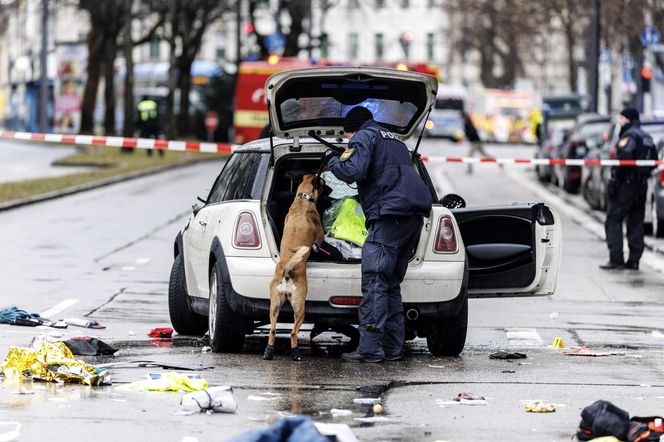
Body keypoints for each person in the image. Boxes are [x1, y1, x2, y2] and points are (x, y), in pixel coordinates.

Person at [323, 107, 433, 363]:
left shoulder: (363, 137)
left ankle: (370, 349)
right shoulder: (395, 139)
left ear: (352, 129)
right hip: (412, 217)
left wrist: (333, 160)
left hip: (389, 215)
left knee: (374, 282)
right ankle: (393, 349)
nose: (349, 139)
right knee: (390, 285)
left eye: (347, 135)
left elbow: (353, 172)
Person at [600, 107, 657, 271]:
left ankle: (616, 260)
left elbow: (625, 157)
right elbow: (653, 161)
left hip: (626, 185)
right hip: (641, 186)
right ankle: (634, 261)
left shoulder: (629, 136)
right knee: (636, 222)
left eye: (622, 118)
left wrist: (617, 178)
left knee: (613, 218)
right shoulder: (647, 137)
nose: (620, 121)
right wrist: (642, 175)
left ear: (628, 119)